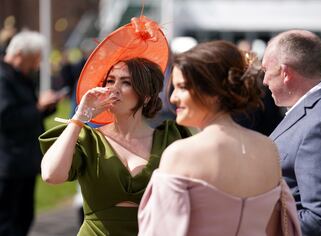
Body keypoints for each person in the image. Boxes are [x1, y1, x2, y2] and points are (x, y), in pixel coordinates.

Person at [39, 16, 191, 236]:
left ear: (147, 95)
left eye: (126, 82)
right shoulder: (88, 138)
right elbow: (51, 175)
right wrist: (79, 117)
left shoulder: (170, 138)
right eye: (110, 81)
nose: (114, 89)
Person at [138, 40, 301, 236]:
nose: (173, 98)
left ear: (212, 92)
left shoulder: (181, 154)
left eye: (182, 87)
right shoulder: (269, 150)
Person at [262, 29, 321, 236]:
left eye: (266, 71)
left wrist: (252, 224)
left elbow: (320, 222)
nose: (264, 81)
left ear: (285, 73)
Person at [0, 31, 61, 236]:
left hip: (24, 160)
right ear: (19, 54)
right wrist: (37, 107)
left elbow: (28, 112)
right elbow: (6, 117)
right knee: (8, 220)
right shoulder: (3, 77)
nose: (37, 63)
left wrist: (47, 106)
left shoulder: (19, 76)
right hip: (8, 163)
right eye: (34, 58)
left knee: (24, 216)